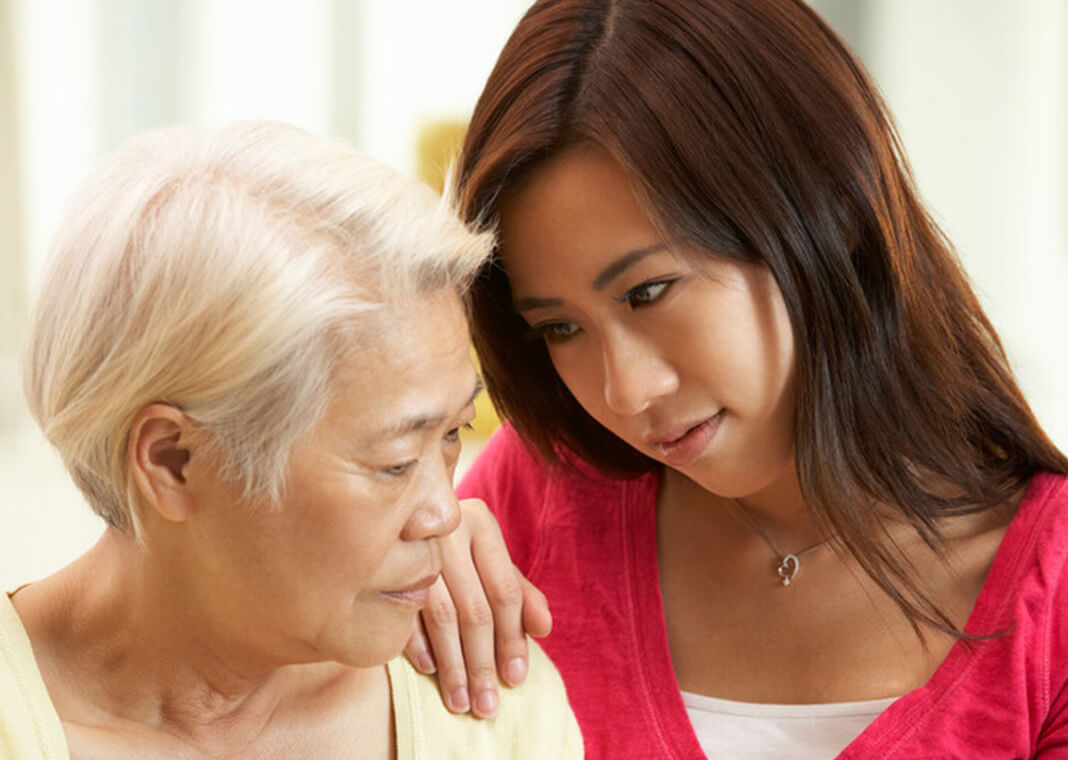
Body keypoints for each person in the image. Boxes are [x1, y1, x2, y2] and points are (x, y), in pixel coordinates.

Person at [405, 0, 1068, 757]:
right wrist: (392, 582)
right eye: (560, 328)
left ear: (829, 207)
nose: (626, 392)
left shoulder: (1051, 601)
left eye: (648, 292)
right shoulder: (531, 505)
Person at [1, 121, 582, 759]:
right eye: (393, 463)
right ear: (173, 461)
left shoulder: (488, 713)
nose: (447, 513)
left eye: (452, 434)